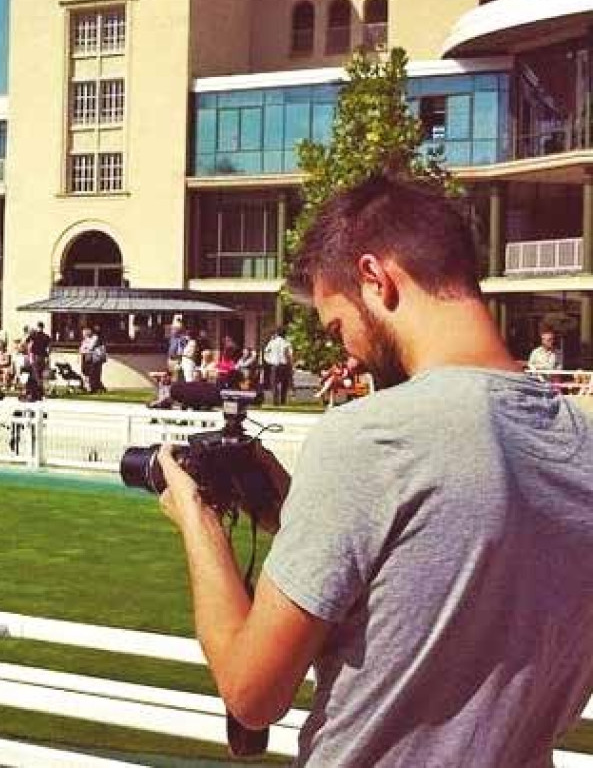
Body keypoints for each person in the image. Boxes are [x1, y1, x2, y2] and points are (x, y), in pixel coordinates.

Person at [157, 173, 593, 766]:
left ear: (376, 277)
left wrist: (196, 519)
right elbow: (438, 581)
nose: (348, 355)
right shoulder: (581, 441)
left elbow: (252, 693)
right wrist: (298, 514)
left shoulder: (372, 437)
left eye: (339, 328)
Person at [263, 326, 293, 405]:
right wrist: (290, 364)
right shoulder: (286, 342)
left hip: (275, 365)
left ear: (277, 333)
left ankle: (275, 401)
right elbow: (288, 354)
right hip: (284, 365)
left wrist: (268, 360)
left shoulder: (272, 342)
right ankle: (283, 400)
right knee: (284, 384)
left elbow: (266, 351)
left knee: (274, 383)